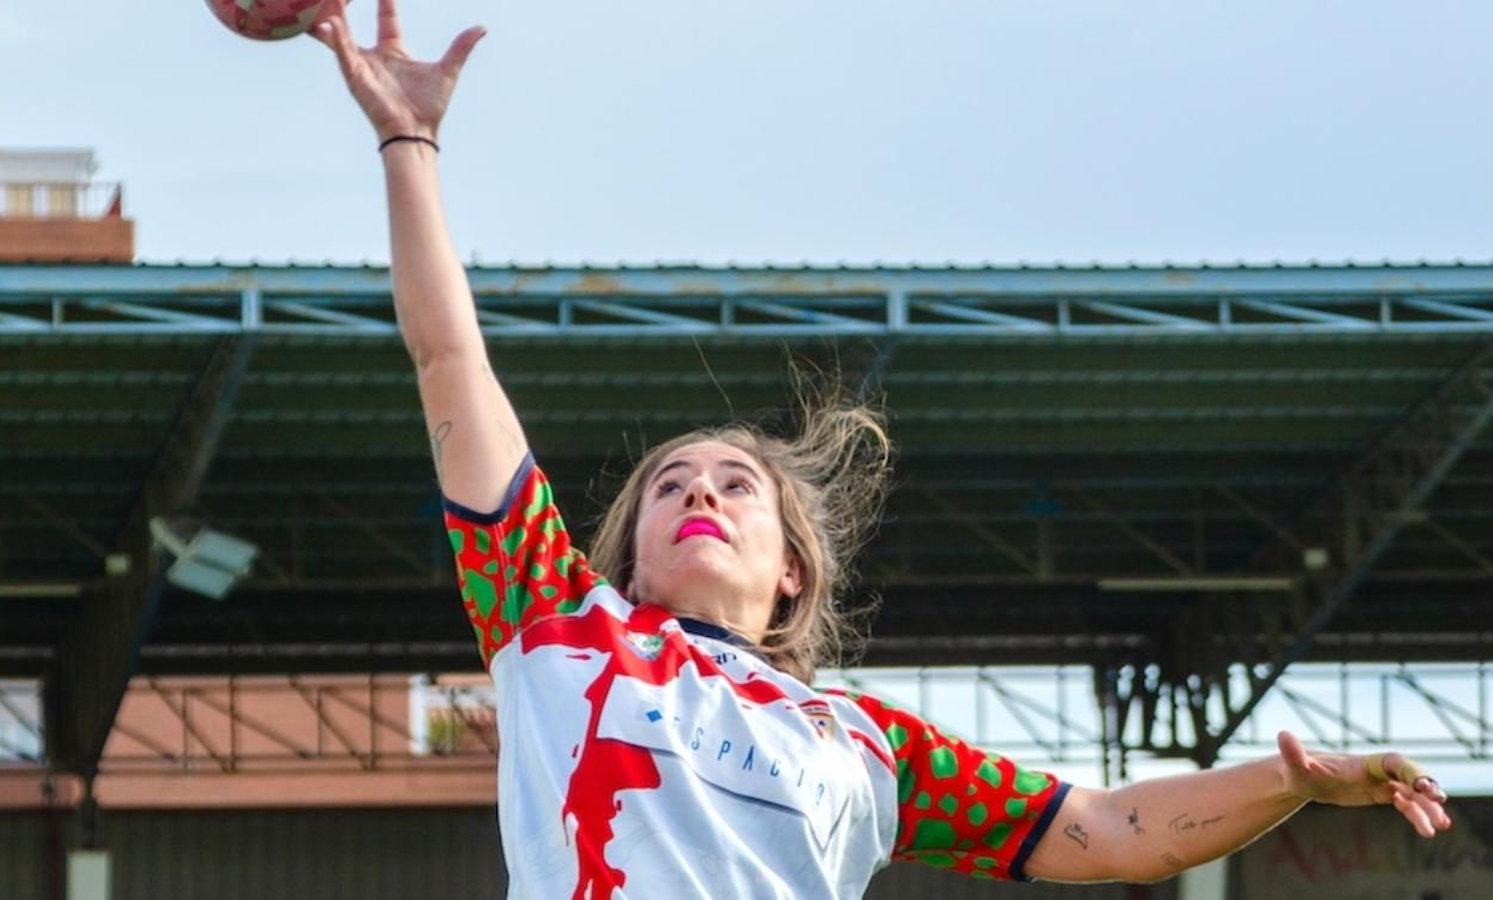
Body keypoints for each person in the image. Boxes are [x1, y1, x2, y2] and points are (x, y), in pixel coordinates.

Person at [311, 4, 1454, 896]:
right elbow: (449, 361)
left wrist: (1291, 784)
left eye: (736, 484)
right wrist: (409, 140)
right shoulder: (557, 624)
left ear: (791, 570)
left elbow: (1110, 831)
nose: (700, 490)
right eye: (669, 484)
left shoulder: (869, 744)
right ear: (632, 551)